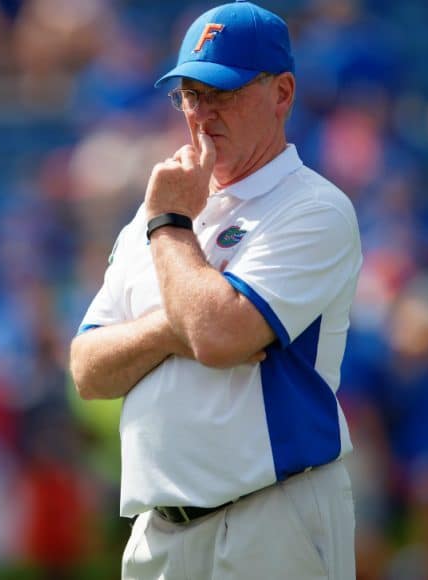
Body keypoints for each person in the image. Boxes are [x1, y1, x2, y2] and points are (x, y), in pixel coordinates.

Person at [69, 1, 362, 578]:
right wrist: (176, 322)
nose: (202, 114)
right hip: (159, 532)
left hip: (270, 518)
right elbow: (88, 369)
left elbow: (220, 335)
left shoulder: (313, 206)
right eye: (190, 95)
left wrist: (172, 227)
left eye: (222, 93)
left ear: (282, 94)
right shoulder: (157, 214)